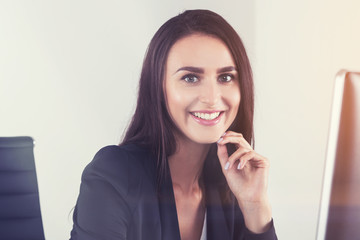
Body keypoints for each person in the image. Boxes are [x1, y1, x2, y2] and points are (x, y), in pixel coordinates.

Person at [70, 9, 277, 240]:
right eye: (190, 78)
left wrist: (255, 205)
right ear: (158, 88)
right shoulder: (115, 174)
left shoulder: (229, 187)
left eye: (225, 77)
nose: (211, 97)